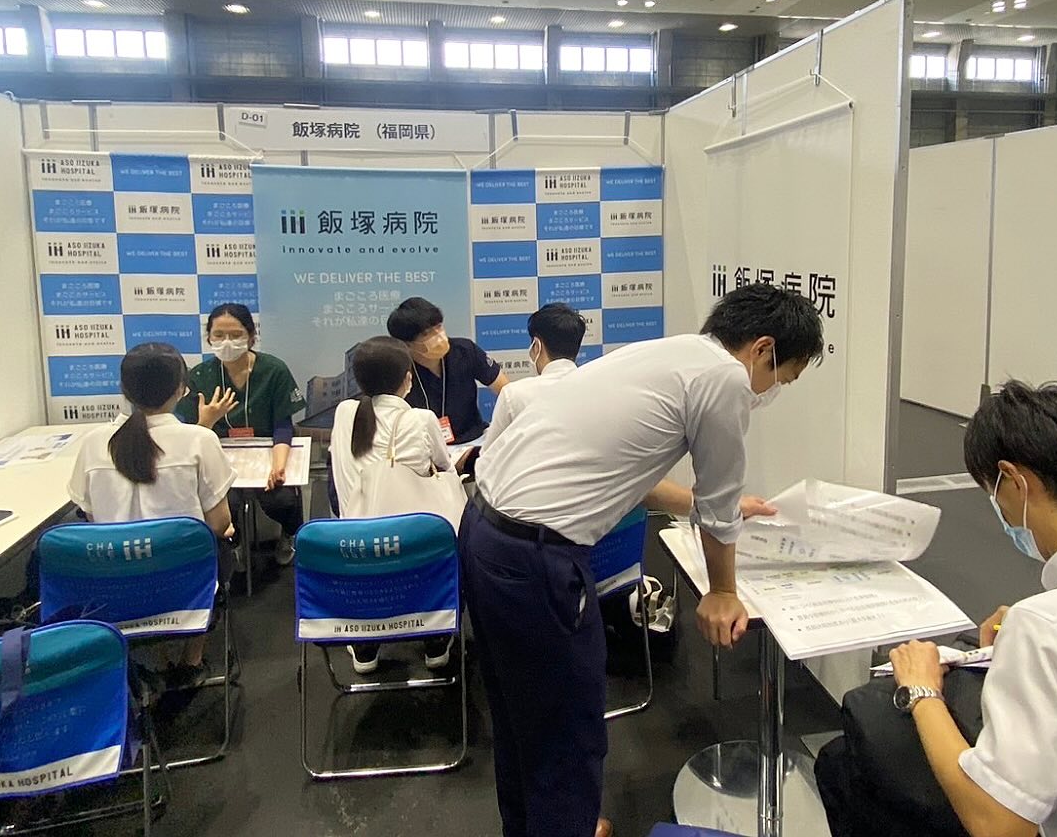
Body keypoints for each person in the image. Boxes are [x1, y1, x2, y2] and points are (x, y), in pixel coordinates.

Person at [461, 283, 824, 837]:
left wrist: (708, 506)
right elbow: (720, 506)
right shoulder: (725, 378)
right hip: (536, 561)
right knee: (569, 732)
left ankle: (546, 825)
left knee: (520, 719)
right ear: (763, 349)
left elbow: (631, 471)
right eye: (783, 377)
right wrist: (723, 592)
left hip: (484, 533)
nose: (772, 390)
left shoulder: (670, 354)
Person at [815, 381, 1057, 837]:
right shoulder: (1050, 621)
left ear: (1015, 481)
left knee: (842, 764)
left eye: (993, 492)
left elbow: (1000, 826)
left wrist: (921, 690)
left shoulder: (1045, 627)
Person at [486, 302, 776, 523]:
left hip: (522, 530)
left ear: (536, 346)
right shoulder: (596, 387)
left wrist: (719, 508)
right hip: (576, 535)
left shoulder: (519, 394)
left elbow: (489, 466)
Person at [68, 343, 234, 688]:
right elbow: (218, 524)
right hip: (183, 589)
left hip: (113, 592)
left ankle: (154, 661)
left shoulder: (94, 443)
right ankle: (191, 661)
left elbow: (91, 519)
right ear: (181, 389)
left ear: (123, 389)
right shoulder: (200, 440)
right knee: (220, 546)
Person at [329, 335, 461, 675]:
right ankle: (436, 639)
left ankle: (366, 645)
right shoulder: (421, 418)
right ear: (408, 378)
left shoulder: (344, 413)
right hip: (416, 550)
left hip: (355, 550)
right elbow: (445, 466)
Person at [176, 303, 306, 567]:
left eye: (235, 335)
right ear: (209, 338)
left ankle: (289, 534)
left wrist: (278, 467)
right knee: (226, 502)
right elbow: (190, 435)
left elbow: (283, 425)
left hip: (268, 452)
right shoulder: (200, 376)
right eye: (219, 335)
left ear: (251, 336)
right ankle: (233, 545)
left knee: (280, 499)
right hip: (220, 457)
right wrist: (207, 420)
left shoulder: (274, 370)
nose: (227, 342)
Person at [387, 297, 509, 470]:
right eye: (427, 334)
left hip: (474, 442)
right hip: (423, 450)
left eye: (439, 327)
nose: (438, 337)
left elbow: (507, 391)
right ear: (407, 344)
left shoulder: (464, 350)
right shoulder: (398, 368)